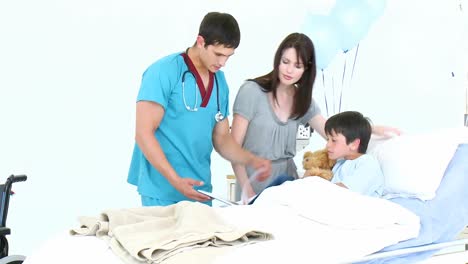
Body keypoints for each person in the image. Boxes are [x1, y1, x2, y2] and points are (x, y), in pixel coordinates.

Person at [231, 33, 397, 202]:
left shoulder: (303, 101)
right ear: (277, 60)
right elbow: (233, 148)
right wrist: (247, 191)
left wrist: (368, 128)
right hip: (252, 181)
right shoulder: (251, 91)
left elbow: (331, 132)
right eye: (285, 62)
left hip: (287, 183)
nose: (289, 70)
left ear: (306, 69)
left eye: (298, 65)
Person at [127, 12, 271, 207]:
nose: (222, 63)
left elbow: (221, 138)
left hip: (200, 191)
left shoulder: (220, 82)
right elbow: (144, 134)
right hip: (161, 190)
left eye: (228, 57)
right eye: (218, 54)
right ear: (201, 42)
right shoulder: (163, 72)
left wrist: (250, 159)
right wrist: (176, 180)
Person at [325, 111, 383, 197]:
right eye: (327, 139)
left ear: (354, 144)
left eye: (333, 140)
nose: (327, 145)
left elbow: (344, 191)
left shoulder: (368, 163)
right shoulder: (340, 163)